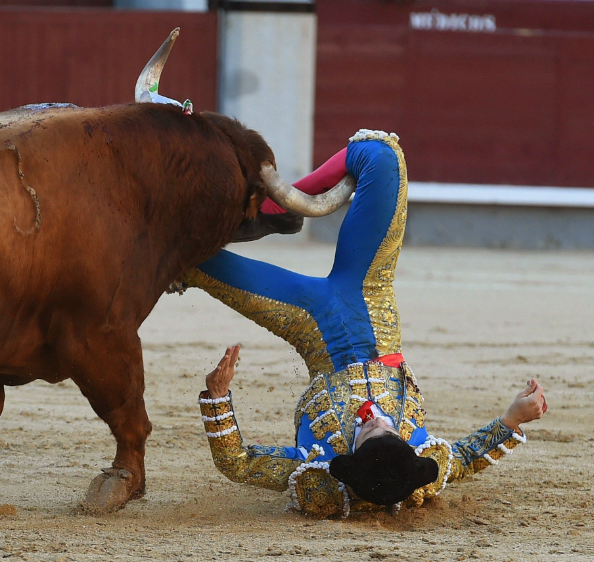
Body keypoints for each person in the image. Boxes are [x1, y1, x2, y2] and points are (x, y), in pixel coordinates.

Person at [180, 130, 548, 518]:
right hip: (369, 294)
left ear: (349, 461)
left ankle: (257, 214)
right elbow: (464, 456)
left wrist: (218, 397)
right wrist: (513, 418)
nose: (375, 418)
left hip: (311, 325)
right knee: (381, 156)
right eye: (388, 428)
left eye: (367, 432)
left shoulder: (321, 471)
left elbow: (238, 462)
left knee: (184, 257)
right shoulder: (421, 468)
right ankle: (281, 206)